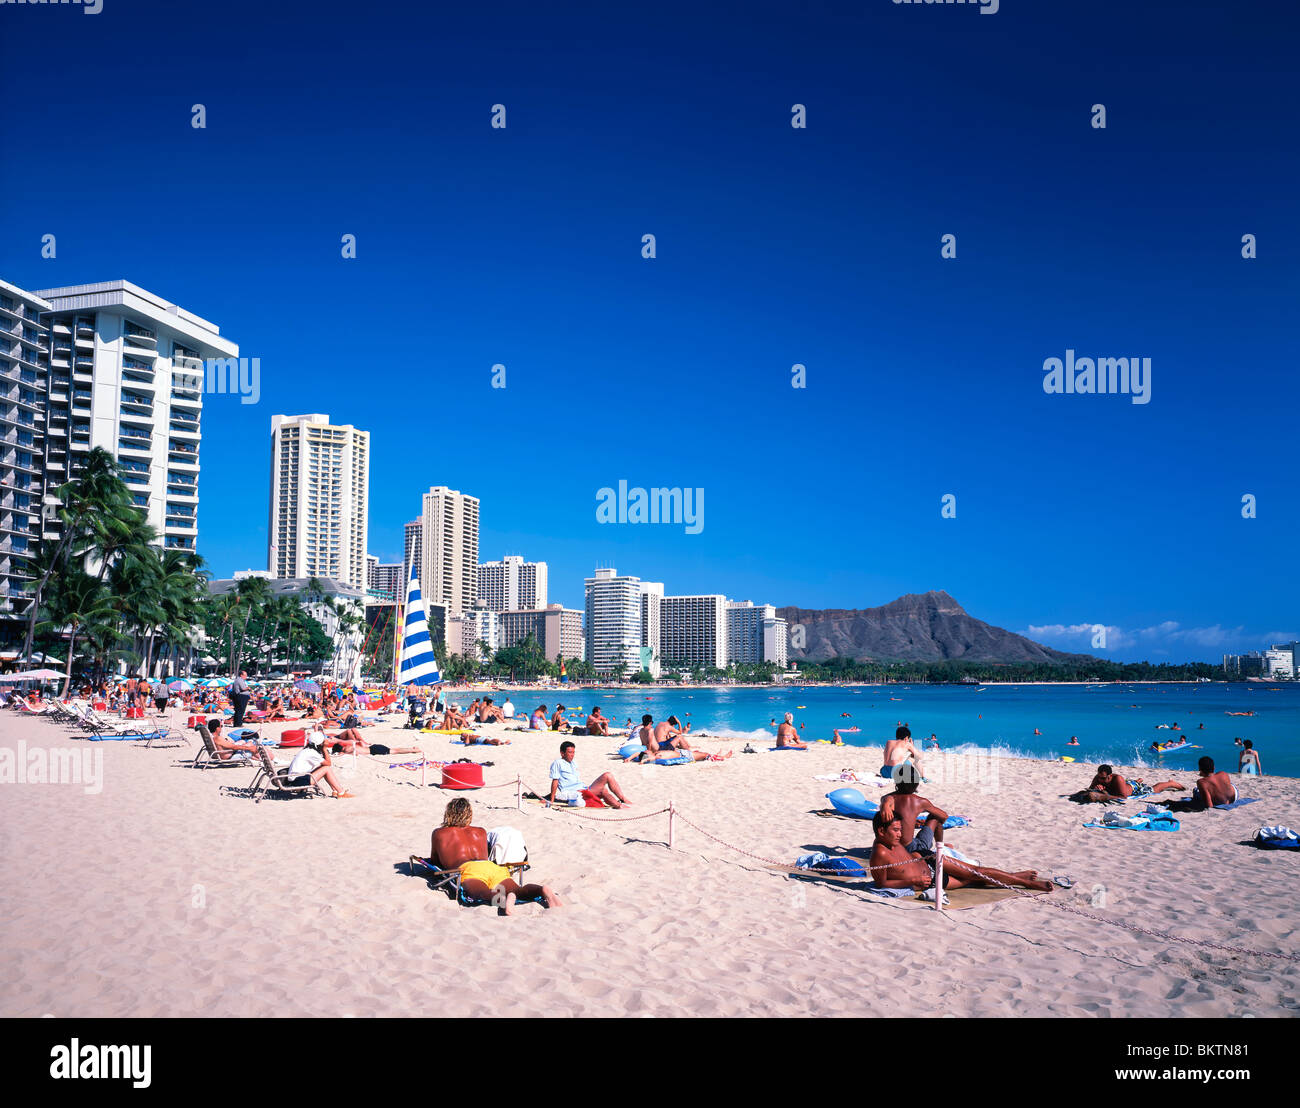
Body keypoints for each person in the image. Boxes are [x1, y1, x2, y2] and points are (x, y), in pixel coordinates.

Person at [428, 798, 561, 914]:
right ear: (469, 815)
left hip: (469, 870)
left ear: (449, 813)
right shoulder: (480, 831)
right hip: (492, 867)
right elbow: (484, 856)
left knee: (479, 893)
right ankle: (541, 890)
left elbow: (435, 861)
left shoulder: (440, 833)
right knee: (517, 889)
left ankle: (503, 899)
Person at [868, 813, 1054, 893]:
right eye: (895, 830)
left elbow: (890, 809)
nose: (900, 834)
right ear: (881, 832)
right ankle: (1015, 876)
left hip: (929, 860)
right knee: (974, 880)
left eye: (900, 829)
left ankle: (1026, 883)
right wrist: (913, 881)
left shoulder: (891, 840)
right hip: (931, 880)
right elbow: (881, 883)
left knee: (977, 873)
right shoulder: (879, 853)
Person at [547, 741, 629, 808]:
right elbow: (555, 781)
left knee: (607, 779)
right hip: (575, 792)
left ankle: (622, 800)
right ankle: (619, 805)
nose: (572, 755)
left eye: (573, 752)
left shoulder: (573, 763)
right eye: (570, 752)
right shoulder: (557, 763)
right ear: (562, 753)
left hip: (583, 788)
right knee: (604, 785)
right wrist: (552, 800)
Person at [879, 774, 947, 852]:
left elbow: (889, 800)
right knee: (936, 816)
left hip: (891, 845)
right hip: (911, 848)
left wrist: (911, 822)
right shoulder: (920, 801)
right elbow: (944, 817)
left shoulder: (887, 799)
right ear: (916, 785)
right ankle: (940, 849)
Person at [286, 739, 354, 798]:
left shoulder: (307, 750)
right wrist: (324, 749)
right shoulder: (312, 753)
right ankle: (341, 792)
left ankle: (335, 790)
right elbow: (328, 763)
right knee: (326, 768)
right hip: (297, 781)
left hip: (295, 778)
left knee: (323, 768)